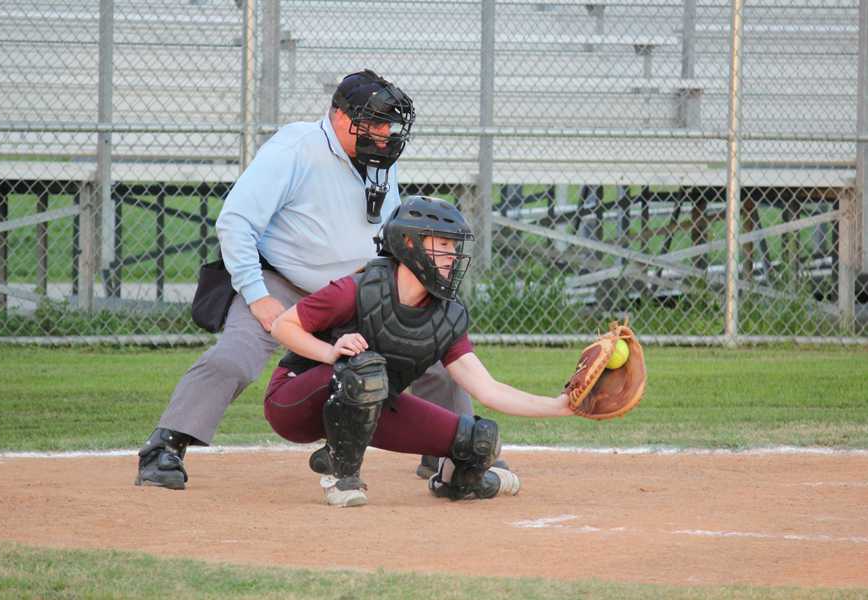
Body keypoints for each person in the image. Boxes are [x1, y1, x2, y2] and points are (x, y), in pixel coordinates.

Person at [134, 69, 462, 489]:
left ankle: (458, 451)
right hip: (280, 282)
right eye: (376, 122)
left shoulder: (380, 159)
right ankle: (165, 446)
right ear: (343, 119)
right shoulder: (296, 148)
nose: (386, 133)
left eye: (390, 124)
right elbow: (234, 223)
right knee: (236, 356)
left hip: (355, 289)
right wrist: (256, 295)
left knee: (433, 355)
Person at [264, 196, 575, 507]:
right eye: (443, 244)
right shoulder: (358, 290)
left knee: (479, 439)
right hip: (294, 402)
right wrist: (330, 351)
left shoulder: (446, 316)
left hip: (370, 402)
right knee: (362, 371)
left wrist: (561, 406)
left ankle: (457, 482)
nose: (453, 255)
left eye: (455, 246)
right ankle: (342, 478)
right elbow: (282, 325)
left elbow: (488, 390)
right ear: (409, 244)